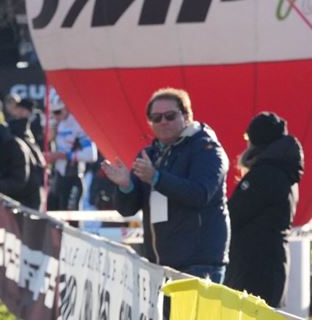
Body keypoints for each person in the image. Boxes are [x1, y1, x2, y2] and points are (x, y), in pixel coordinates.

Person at [103, 88, 229, 281]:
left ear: (186, 116)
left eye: (170, 116)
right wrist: (125, 186)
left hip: (199, 265)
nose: (163, 122)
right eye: (156, 118)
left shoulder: (207, 149)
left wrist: (157, 178)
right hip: (159, 265)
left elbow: (201, 194)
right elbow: (127, 209)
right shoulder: (150, 155)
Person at [224, 112, 304, 307]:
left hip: (254, 270)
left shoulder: (265, 174)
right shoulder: (284, 173)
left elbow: (232, 215)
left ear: (255, 141)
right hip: (270, 267)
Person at [45, 98, 97, 211]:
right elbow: (47, 140)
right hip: (57, 178)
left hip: (74, 177)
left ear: (66, 108)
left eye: (58, 112)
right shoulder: (55, 123)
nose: (55, 115)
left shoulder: (79, 125)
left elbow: (91, 155)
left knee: (70, 218)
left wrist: (63, 155)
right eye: (52, 112)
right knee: (53, 216)